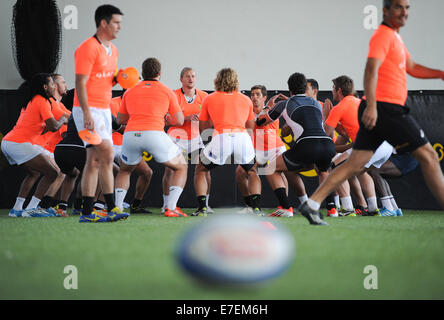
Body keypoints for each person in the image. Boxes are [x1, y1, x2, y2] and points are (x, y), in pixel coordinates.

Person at [299, 0, 444, 225]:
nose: (404, 12)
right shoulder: (383, 35)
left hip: (381, 109)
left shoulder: (396, 37)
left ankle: (312, 203)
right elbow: (370, 69)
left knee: (355, 165)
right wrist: (374, 106)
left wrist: (440, 74)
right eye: (398, 7)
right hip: (387, 109)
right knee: (430, 156)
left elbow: (412, 67)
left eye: (407, 8)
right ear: (385, 11)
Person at [73, 5, 127, 223]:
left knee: (97, 159)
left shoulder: (113, 50)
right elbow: (80, 82)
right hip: (87, 110)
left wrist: (119, 78)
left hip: (104, 110)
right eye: (116, 22)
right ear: (103, 23)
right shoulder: (87, 48)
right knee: (104, 153)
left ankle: (101, 210)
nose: (119, 27)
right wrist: (86, 112)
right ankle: (91, 211)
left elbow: (106, 79)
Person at [256, 73, 336, 222]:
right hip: (327, 144)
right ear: (305, 87)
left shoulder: (284, 104)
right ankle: (332, 208)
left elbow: (261, 122)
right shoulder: (315, 103)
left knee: (270, 168)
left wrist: (268, 107)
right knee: (322, 171)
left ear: (289, 89)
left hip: (307, 145)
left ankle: (286, 208)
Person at [115, 57, 188, 218]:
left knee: (125, 171)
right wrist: (166, 118)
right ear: (159, 74)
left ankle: (118, 208)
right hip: (154, 133)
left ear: (142, 73)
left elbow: (120, 120)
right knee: (181, 166)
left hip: (131, 134)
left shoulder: (129, 91)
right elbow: (180, 120)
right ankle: (171, 208)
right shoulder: (167, 90)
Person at [1, 73, 68, 217]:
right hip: (18, 143)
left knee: (34, 173)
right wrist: (62, 119)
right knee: (53, 173)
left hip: (10, 142)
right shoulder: (42, 101)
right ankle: (32, 209)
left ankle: (17, 209)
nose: (54, 86)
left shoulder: (33, 100)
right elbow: (54, 127)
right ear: (45, 87)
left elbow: (41, 126)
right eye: (51, 84)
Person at [235, 85, 307, 215]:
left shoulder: (272, 109)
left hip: (275, 148)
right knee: (240, 172)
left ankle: (284, 206)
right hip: (258, 150)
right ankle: (250, 205)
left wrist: (268, 107)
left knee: (280, 173)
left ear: (264, 97)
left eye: (258, 94)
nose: (254, 97)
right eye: (252, 95)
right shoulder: (247, 111)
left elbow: (259, 122)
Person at [193, 68, 256, 216]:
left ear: (217, 80)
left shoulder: (209, 98)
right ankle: (255, 208)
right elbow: (251, 127)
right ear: (236, 80)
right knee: (252, 171)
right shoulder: (246, 99)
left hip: (222, 137)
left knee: (201, 169)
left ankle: (202, 208)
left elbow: (204, 128)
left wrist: (211, 142)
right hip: (242, 137)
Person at [163, 68, 213, 213]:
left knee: (204, 169)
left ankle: (205, 204)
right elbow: (166, 119)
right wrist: (185, 118)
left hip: (195, 138)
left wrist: (202, 119)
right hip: (176, 138)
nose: (190, 79)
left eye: (193, 76)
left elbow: (210, 120)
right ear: (181, 79)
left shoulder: (204, 96)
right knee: (169, 170)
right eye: (187, 76)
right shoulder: (174, 95)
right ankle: (167, 204)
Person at [110, 94, 153, 214]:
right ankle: (101, 204)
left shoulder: (140, 103)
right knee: (107, 169)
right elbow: (112, 126)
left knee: (147, 172)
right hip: (110, 144)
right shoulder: (113, 102)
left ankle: (135, 205)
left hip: (128, 144)